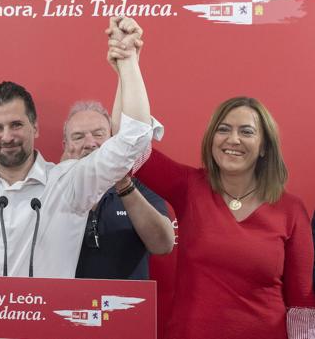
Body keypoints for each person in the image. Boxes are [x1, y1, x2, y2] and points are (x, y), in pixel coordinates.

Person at [0, 3, 161, 278]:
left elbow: (134, 138)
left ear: (35, 127)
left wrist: (128, 62)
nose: (7, 136)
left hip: (51, 321)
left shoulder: (70, 181)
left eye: (17, 125)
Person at [108, 21, 315, 339]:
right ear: (211, 139)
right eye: (223, 129)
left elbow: (301, 305)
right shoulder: (191, 187)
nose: (233, 139)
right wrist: (128, 64)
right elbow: (130, 144)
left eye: (246, 131)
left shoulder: (291, 210)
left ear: (264, 147)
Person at [60, 101, 173, 280]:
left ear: (113, 139)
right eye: (78, 137)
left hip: (126, 305)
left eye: (98, 134)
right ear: (65, 145)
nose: (90, 143)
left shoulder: (142, 187)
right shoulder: (49, 190)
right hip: (65, 304)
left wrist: (123, 183)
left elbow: (163, 245)